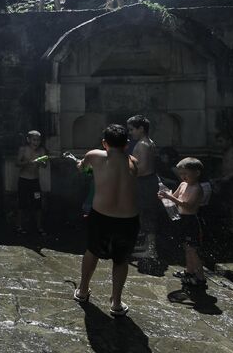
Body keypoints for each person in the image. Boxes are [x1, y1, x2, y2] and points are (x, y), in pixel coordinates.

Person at [74, 124, 139, 317]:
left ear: (104, 143)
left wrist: (81, 164)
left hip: (102, 216)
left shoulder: (95, 155)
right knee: (121, 260)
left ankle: (83, 291)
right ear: (127, 144)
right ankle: (116, 302)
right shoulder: (134, 162)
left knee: (92, 252)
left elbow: (82, 168)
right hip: (129, 219)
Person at [158, 157, 206, 287]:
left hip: (191, 221)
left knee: (192, 250)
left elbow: (188, 206)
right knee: (186, 247)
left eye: (186, 173)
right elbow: (174, 196)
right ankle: (189, 272)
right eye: (181, 174)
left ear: (196, 173)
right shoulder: (183, 184)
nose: (183, 177)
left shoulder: (197, 188)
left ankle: (201, 278)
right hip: (182, 220)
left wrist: (170, 197)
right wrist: (165, 196)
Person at [127, 114, 160, 258]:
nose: (130, 132)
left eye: (132, 129)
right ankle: (147, 246)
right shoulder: (148, 142)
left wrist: (128, 175)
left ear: (141, 129)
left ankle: (151, 250)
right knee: (145, 214)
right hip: (147, 181)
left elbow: (144, 169)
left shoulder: (143, 145)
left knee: (147, 215)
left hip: (145, 182)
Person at [15, 130, 48, 235]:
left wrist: (41, 162)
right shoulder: (23, 149)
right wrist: (28, 162)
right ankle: (19, 226)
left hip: (35, 181)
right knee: (22, 204)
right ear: (29, 140)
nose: (36, 142)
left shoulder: (41, 150)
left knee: (38, 204)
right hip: (23, 180)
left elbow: (44, 165)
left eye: (38, 140)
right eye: (34, 140)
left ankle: (39, 227)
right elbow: (17, 163)